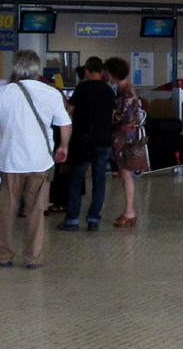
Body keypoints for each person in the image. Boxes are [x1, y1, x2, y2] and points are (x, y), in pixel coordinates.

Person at [0, 49, 70, 269]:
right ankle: (33, 258)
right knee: (36, 211)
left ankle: (3, 255)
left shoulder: (5, 92)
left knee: (6, 210)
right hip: (40, 161)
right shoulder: (51, 93)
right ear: (37, 68)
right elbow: (65, 124)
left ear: (16, 69)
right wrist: (63, 146)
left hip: (10, 161)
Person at [59, 56, 116, 232]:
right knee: (99, 181)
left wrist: (60, 95)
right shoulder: (108, 90)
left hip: (83, 140)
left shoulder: (82, 87)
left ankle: (72, 220)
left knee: (76, 179)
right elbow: (112, 115)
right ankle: (93, 219)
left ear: (86, 71)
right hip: (103, 140)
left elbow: (69, 109)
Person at [105, 55, 148, 228]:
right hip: (124, 137)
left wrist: (110, 118)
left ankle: (130, 211)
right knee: (124, 174)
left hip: (125, 139)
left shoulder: (127, 92)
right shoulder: (123, 90)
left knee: (125, 173)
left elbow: (125, 118)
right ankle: (128, 210)